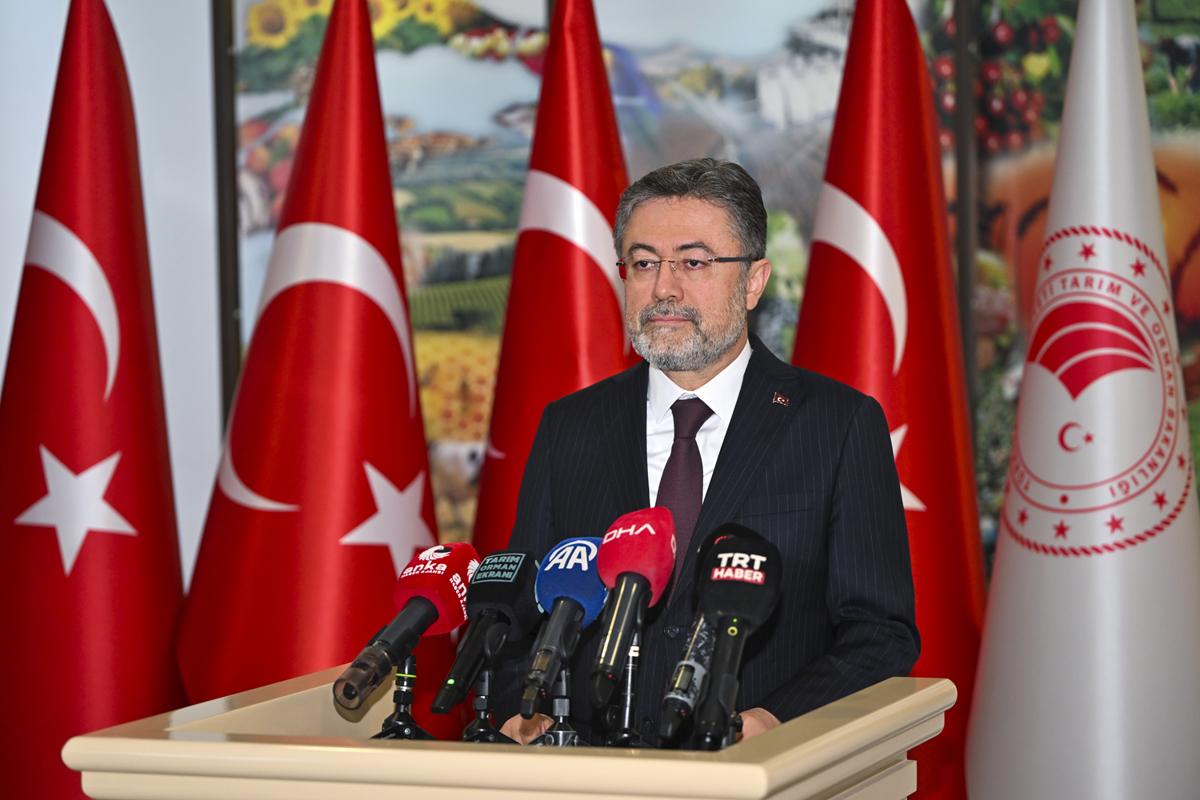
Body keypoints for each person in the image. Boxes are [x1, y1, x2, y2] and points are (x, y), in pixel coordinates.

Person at [494, 158, 919, 745]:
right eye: (644, 263)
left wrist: (775, 720)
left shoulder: (836, 424)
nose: (663, 289)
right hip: (592, 769)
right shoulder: (571, 425)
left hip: (761, 767)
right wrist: (523, 709)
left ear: (753, 281)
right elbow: (519, 618)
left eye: (693, 263)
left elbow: (880, 632)